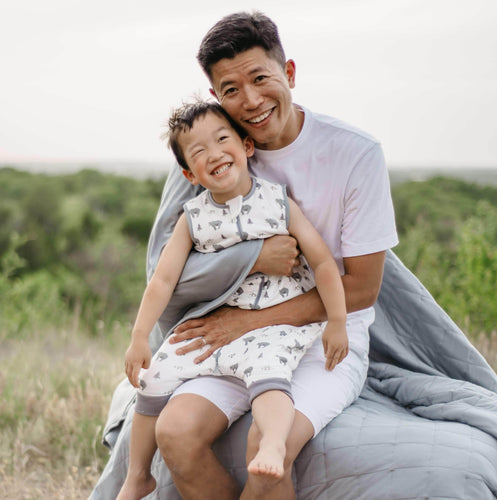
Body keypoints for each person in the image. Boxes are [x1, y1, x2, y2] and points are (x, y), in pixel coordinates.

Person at [145, 11, 397, 500]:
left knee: (267, 452)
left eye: (261, 78)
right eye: (232, 88)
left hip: (319, 335)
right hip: (229, 336)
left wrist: (247, 323)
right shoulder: (211, 154)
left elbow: (363, 288)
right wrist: (254, 259)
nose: (252, 100)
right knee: (174, 434)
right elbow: (164, 273)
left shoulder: (355, 154)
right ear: (216, 97)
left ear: (291, 74)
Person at [117, 99, 349, 500]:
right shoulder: (192, 218)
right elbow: (162, 281)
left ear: (246, 146)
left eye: (222, 139)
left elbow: (324, 263)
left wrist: (338, 320)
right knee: (152, 380)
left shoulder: (278, 202)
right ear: (190, 172)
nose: (214, 153)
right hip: (218, 324)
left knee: (268, 376)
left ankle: (274, 443)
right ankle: (138, 475)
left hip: (275, 325)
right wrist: (139, 337)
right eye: (199, 151)